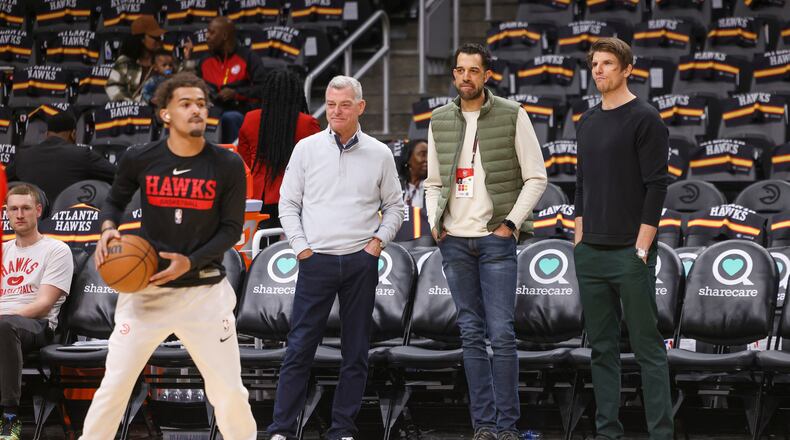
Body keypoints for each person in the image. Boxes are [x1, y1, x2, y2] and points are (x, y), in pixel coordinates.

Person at [80, 73, 256, 440]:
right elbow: (115, 198)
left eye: (202, 104)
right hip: (146, 291)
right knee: (113, 388)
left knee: (229, 394)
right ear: (164, 114)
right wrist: (109, 226)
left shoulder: (227, 165)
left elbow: (231, 230)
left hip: (203, 292)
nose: (197, 110)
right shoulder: (140, 158)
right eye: (186, 104)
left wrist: (189, 262)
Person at [268, 76, 404, 440]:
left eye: (344, 105)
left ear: (360, 107)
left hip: (361, 262)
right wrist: (301, 248)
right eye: (330, 104)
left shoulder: (379, 153)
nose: (336, 111)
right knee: (299, 347)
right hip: (316, 261)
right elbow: (288, 203)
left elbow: (395, 207)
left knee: (356, 351)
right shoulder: (306, 149)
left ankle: (342, 428)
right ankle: (281, 429)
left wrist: (376, 244)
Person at [424, 43, 547, 440]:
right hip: (454, 241)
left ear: (486, 74)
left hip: (496, 240)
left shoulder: (513, 114)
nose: (465, 77)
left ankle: (508, 427)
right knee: (471, 335)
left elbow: (537, 177)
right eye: (459, 70)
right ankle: (484, 427)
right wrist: (434, 220)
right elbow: (433, 182)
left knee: (502, 334)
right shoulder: (440, 119)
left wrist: (510, 223)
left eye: (473, 71)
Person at [573, 37, 672, 440]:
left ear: (627, 69)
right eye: (595, 63)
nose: (599, 70)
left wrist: (641, 249)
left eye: (608, 63)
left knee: (649, 351)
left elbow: (657, 187)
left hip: (630, 254)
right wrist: (579, 241)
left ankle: (661, 433)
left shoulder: (646, 118)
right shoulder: (588, 121)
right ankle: (607, 432)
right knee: (602, 351)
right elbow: (581, 185)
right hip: (590, 253)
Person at [0, 184, 74, 440]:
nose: (19, 214)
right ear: (6, 213)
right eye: (13, 209)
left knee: (4, 326)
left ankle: (9, 416)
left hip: (37, 324)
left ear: (38, 211)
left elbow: (43, 304)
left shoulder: (56, 250)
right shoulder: (3, 250)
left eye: (26, 208)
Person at [237, 69, 321, 228]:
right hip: (296, 199)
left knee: (259, 248)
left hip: (257, 198)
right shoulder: (308, 123)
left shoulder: (250, 119)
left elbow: (244, 162)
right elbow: (315, 165)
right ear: (296, 93)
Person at [7, 112, 116, 204]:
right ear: (73, 134)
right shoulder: (82, 154)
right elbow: (118, 174)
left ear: (46, 134)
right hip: (66, 223)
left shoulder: (23, 156)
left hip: (29, 221)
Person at [198, 16, 266, 143]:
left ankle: (232, 158)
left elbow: (262, 88)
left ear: (224, 36)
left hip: (240, 109)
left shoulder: (249, 57)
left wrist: (236, 94)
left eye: (211, 32)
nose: (207, 36)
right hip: (211, 109)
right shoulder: (205, 60)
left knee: (229, 118)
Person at [397, 138, 428, 208]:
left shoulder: (433, 188)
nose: (427, 159)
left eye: (430, 155)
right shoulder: (396, 187)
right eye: (422, 154)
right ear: (408, 159)